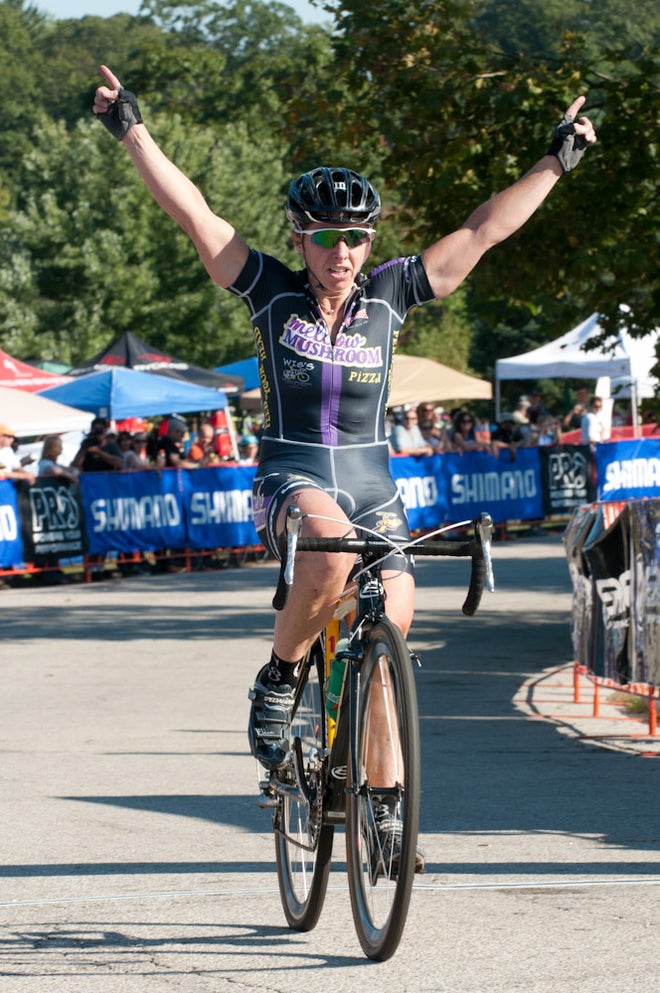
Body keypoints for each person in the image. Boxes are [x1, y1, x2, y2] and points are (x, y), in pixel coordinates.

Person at [92, 65, 597, 860]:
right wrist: (132, 128)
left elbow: (483, 231)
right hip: (291, 477)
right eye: (325, 236)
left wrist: (555, 162)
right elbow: (193, 213)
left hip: (372, 483)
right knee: (325, 558)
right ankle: (282, 674)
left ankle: (385, 803)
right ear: (300, 238)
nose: (342, 250)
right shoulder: (267, 289)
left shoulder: (393, 294)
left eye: (356, 236)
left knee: (392, 623)